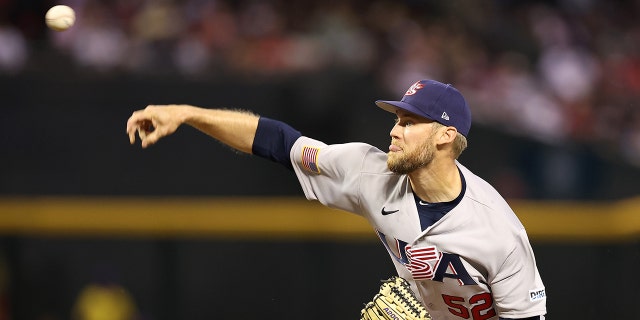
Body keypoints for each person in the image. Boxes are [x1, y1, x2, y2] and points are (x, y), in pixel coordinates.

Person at [126, 79, 547, 319]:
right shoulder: (369, 171)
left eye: (410, 122)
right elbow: (276, 140)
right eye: (396, 120)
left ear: (446, 135)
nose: (394, 132)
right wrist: (186, 113)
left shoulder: (500, 233)